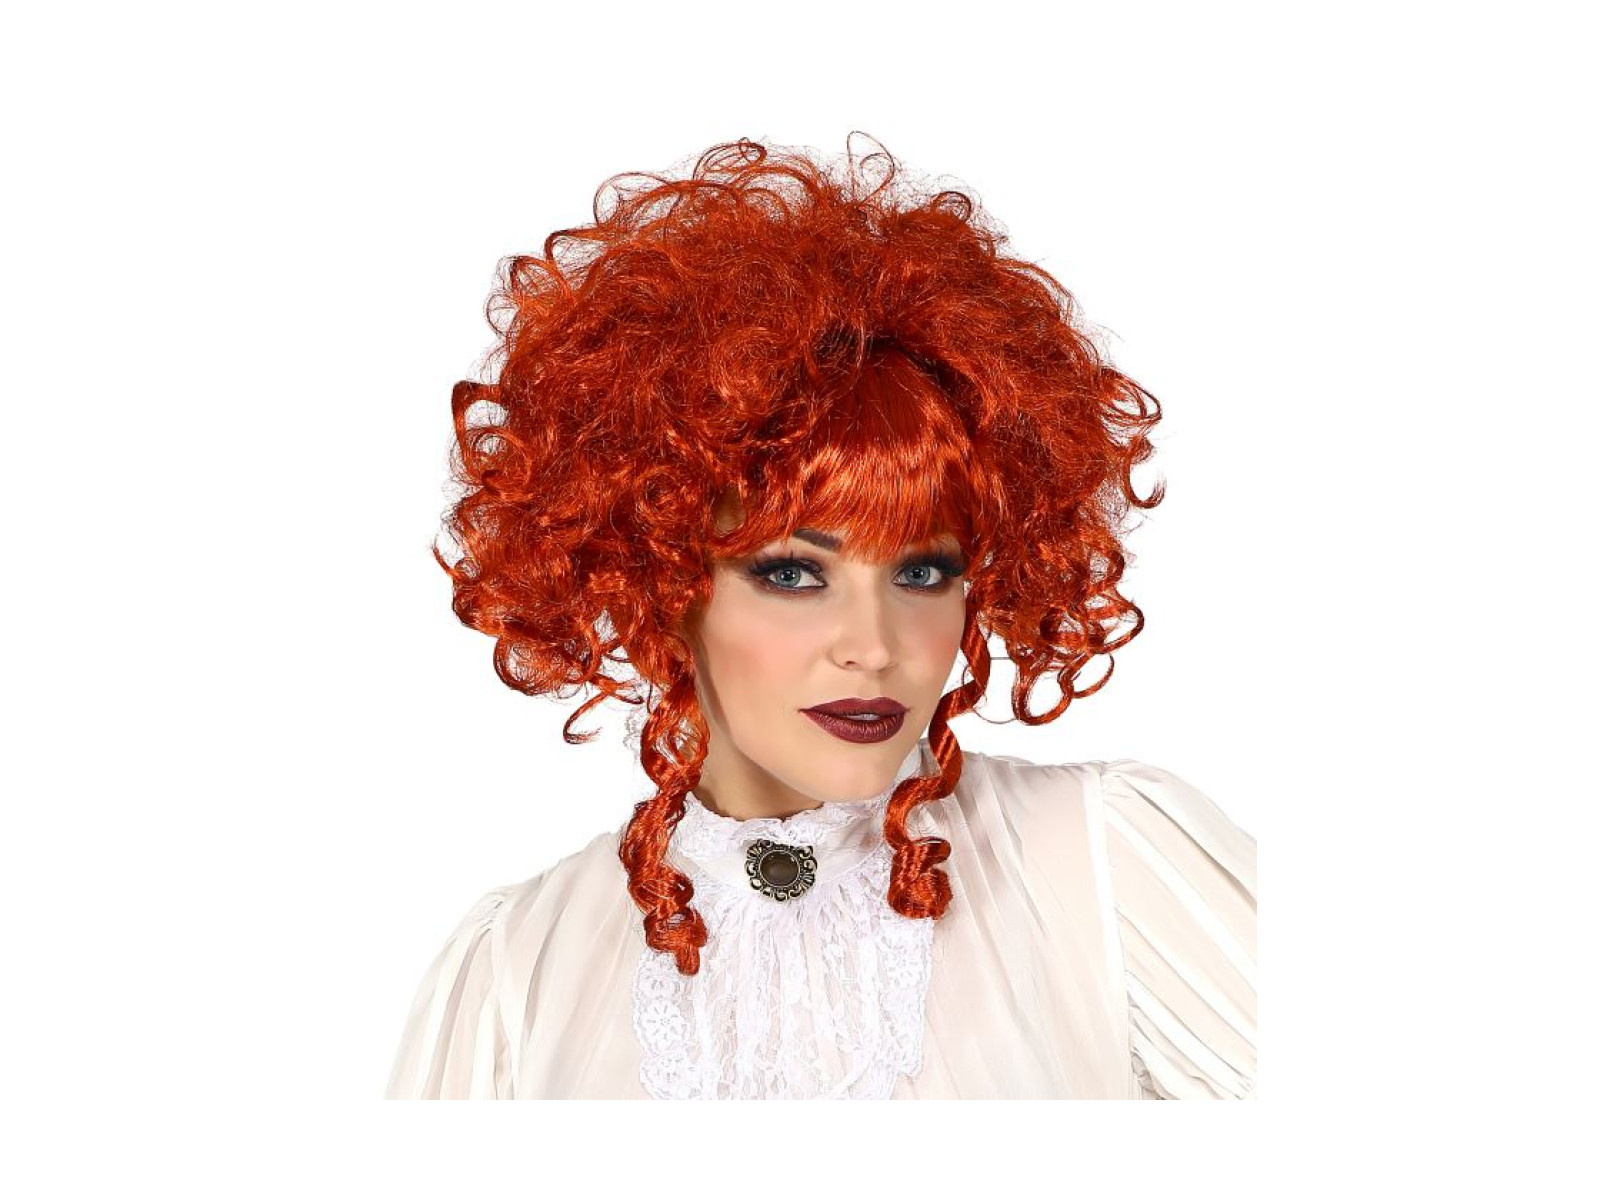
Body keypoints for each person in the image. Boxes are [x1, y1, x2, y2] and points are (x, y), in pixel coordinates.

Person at [385, 134, 1257, 1100]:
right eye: (795, 575)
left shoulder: (1102, 869)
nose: (874, 648)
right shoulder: (520, 972)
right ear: (656, 590)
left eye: (923, 571)